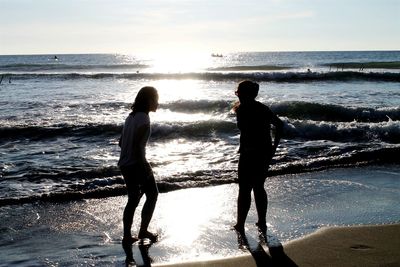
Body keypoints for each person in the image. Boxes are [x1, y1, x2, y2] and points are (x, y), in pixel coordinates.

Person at [232, 80, 283, 235]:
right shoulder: (240, 108)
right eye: (237, 92)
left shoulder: (259, 109)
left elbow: (279, 125)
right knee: (250, 188)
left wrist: (274, 148)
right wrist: (272, 149)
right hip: (252, 152)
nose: (238, 94)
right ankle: (244, 223)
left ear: (249, 94)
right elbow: (279, 125)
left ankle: (249, 223)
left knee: (250, 188)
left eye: (240, 92)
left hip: (258, 152)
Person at [118, 86, 159, 244]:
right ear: (149, 101)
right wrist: (144, 168)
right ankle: (143, 230)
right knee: (152, 194)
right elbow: (137, 147)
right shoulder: (144, 118)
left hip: (125, 164)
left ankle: (127, 235)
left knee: (133, 199)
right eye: (156, 100)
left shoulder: (131, 117)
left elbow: (121, 143)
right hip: (137, 163)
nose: (157, 104)